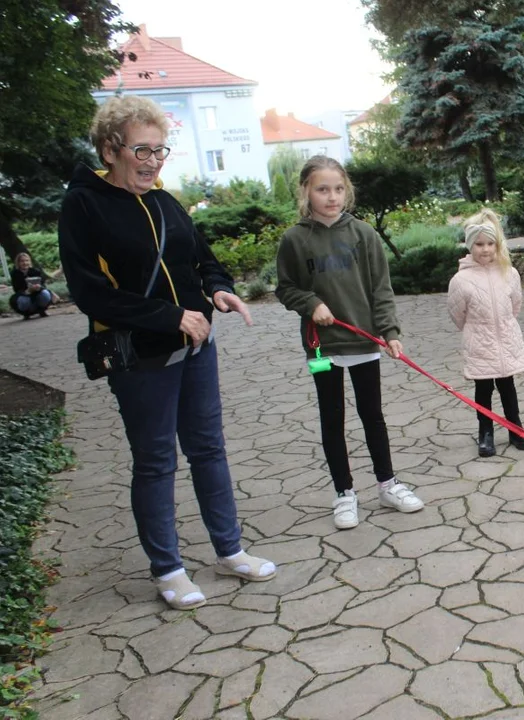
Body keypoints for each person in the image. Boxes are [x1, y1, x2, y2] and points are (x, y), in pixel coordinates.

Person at [58, 95, 275, 611]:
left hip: (197, 347)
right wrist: (171, 316)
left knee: (209, 449)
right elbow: (90, 293)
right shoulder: (84, 205)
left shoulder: (165, 201)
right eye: (142, 149)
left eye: (161, 150)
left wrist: (217, 290)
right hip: (141, 358)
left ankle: (230, 550)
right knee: (155, 461)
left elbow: (203, 260)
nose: (154, 161)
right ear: (111, 149)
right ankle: (169, 569)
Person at [275, 155, 424, 530]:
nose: (332, 197)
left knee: (372, 415)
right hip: (321, 348)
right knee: (332, 419)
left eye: (338, 189)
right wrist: (311, 304)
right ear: (306, 191)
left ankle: (388, 484)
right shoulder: (295, 239)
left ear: (347, 191)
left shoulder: (363, 234)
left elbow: (380, 288)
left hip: (363, 345)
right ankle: (344, 493)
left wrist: (389, 333)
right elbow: (286, 288)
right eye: (322, 189)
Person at [447, 209, 524, 458]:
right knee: (483, 389)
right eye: (479, 244)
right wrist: (478, 329)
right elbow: (457, 314)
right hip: (480, 343)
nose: (485, 249)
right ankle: (486, 432)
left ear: (497, 245)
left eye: (490, 244)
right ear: (469, 245)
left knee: (508, 387)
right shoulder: (461, 280)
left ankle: (515, 429)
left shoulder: (509, 274)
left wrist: (503, 325)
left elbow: (515, 305)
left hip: (506, 341)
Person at [9, 252, 53, 318]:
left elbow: (43, 284)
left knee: (45, 294)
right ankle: (26, 314)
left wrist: (39, 287)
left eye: (27, 260)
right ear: (18, 263)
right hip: (25, 294)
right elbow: (16, 289)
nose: (25, 263)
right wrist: (27, 291)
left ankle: (42, 310)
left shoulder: (35, 271)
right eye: (22, 261)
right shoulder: (15, 273)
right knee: (22, 301)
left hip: (37, 293)